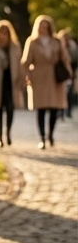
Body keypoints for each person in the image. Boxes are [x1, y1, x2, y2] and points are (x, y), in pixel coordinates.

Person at [21, 15, 72, 148]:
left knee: (54, 109)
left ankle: (51, 135)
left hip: (55, 77)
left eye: (46, 25)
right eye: (41, 25)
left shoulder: (56, 41)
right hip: (39, 77)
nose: (44, 28)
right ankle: (42, 137)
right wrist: (27, 77)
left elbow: (65, 58)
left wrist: (68, 74)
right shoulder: (32, 41)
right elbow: (26, 61)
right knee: (41, 109)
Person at [59, 28, 78, 120]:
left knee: (69, 93)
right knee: (61, 93)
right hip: (59, 73)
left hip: (70, 73)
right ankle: (61, 112)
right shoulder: (57, 44)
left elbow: (75, 60)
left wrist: (72, 72)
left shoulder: (73, 46)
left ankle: (68, 111)